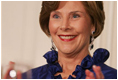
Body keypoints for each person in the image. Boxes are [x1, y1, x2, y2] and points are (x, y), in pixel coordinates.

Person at [4, 1, 117, 79]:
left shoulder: (112, 77)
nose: (64, 26)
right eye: (56, 16)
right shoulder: (28, 77)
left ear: (93, 24)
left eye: (75, 16)